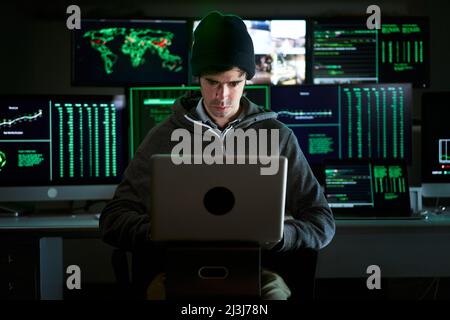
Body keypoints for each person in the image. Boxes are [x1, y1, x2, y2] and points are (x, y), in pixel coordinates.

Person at [100, 11, 335, 300]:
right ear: (198, 78)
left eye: (233, 83)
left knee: (273, 297)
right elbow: (113, 218)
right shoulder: (163, 137)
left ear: (247, 79)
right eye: (212, 82)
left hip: (259, 268)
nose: (222, 96)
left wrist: (282, 238)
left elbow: (322, 220)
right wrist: (158, 233)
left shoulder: (278, 137)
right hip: (177, 268)